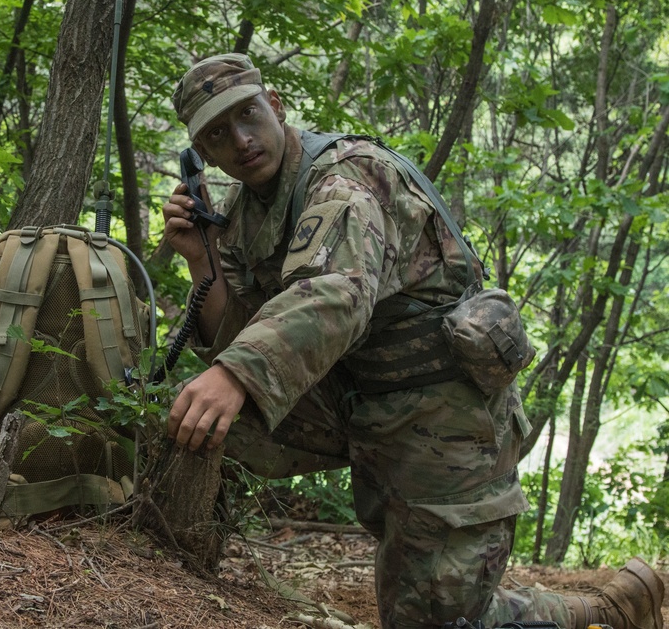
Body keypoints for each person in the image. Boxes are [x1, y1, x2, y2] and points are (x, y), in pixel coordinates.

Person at [161, 52, 665, 629]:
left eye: (249, 115)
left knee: (435, 619)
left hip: (447, 413)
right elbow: (245, 324)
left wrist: (236, 373)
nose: (242, 139)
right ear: (204, 154)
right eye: (219, 134)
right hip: (364, 403)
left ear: (275, 106)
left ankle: (606, 612)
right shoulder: (244, 210)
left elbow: (337, 295)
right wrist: (203, 262)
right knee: (195, 414)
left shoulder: (343, 178)